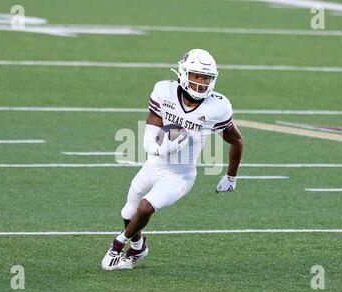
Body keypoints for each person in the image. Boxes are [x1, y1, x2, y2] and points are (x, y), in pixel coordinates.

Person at [101, 48, 244, 271]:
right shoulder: (164, 91)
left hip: (180, 176)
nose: (201, 82)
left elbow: (237, 140)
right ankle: (139, 248)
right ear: (184, 73)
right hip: (153, 166)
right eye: (196, 76)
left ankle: (117, 245)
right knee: (128, 212)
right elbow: (150, 130)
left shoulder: (218, 107)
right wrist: (157, 149)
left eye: (206, 78)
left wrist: (231, 176)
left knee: (146, 208)